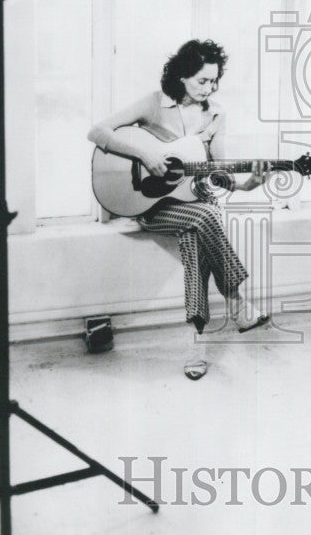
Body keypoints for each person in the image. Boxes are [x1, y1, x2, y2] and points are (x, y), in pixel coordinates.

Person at [87, 39, 270, 380]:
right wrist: (144, 155)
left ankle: (197, 345)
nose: (211, 88)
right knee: (206, 217)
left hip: (196, 205)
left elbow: (216, 171)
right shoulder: (155, 103)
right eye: (203, 80)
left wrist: (244, 185)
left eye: (215, 81)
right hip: (152, 206)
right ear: (182, 76)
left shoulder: (215, 114)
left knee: (196, 232)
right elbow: (96, 131)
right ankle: (236, 302)